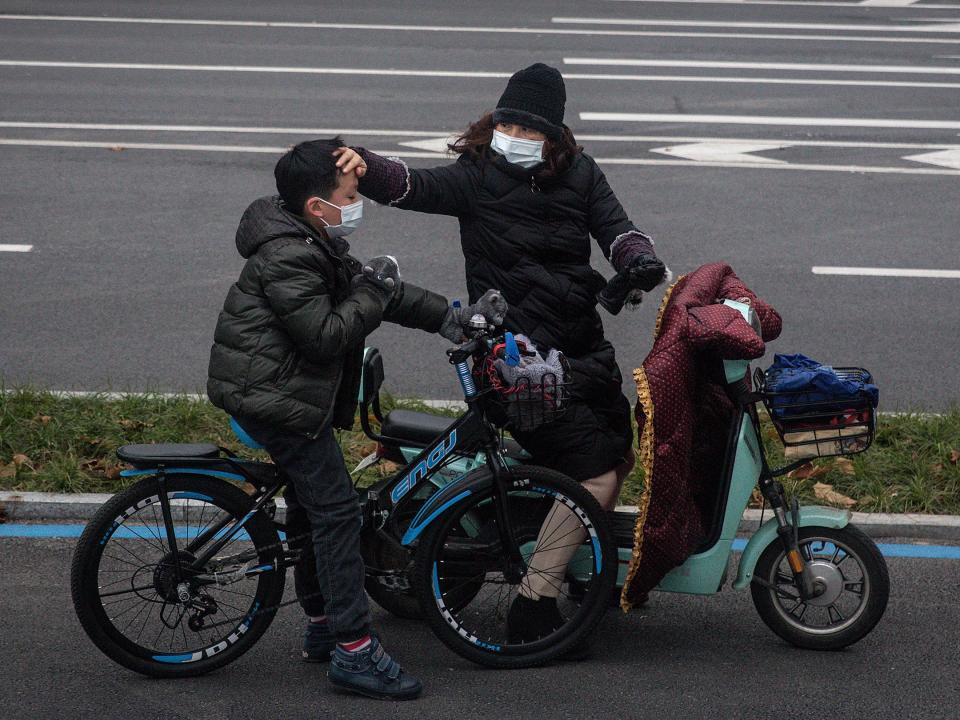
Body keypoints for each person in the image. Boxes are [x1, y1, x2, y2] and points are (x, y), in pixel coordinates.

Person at [333, 63, 668, 643]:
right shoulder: (476, 176)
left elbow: (619, 230)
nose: (515, 135)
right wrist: (363, 162)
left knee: (617, 451)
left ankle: (580, 570)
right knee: (595, 473)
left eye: (529, 129)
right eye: (507, 123)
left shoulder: (583, 176)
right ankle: (533, 605)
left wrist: (638, 261)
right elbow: (411, 185)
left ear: (555, 137)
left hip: (582, 349)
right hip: (516, 363)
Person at [206, 137, 506, 699]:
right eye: (350, 193)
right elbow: (327, 335)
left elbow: (378, 295)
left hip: (276, 388)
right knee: (337, 514)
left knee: (311, 503)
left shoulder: (304, 233)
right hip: (276, 399)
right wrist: (372, 286)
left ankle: (321, 626)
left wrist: (454, 317)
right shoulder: (290, 254)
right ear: (319, 206)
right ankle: (354, 652)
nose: (357, 201)